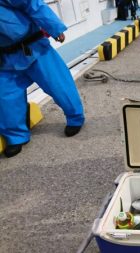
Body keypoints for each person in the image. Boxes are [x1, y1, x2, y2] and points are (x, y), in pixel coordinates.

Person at [0, 0, 85, 158]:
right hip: (4, 59)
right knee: (6, 99)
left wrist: (55, 28)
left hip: (33, 47)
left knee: (58, 85)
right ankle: (16, 136)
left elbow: (32, 4)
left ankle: (75, 118)